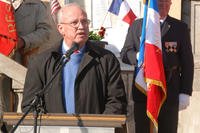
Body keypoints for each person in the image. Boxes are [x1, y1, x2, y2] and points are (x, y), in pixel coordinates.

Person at [21, 3, 127, 114]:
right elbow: (30, 105)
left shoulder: (106, 59)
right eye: (74, 23)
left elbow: (116, 102)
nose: (81, 27)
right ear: (61, 28)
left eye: (84, 21)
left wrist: (100, 126)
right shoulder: (41, 62)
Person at [120, 0, 194, 133]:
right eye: (160, 2)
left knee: (168, 129)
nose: (164, 5)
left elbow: (187, 62)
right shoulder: (138, 25)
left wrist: (185, 92)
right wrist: (138, 56)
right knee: (142, 129)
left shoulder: (179, 27)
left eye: (167, 2)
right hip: (143, 88)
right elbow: (125, 53)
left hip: (169, 88)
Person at [0, 0, 53, 112]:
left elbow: (45, 31)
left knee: (23, 105)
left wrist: (24, 41)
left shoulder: (36, 5)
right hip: (2, 64)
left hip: (24, 63)